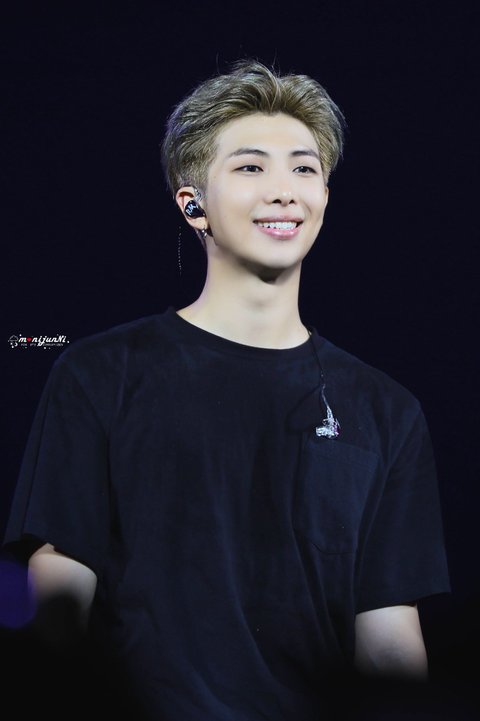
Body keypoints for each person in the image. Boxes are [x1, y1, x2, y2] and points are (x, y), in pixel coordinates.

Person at [3, 60, 450, 720]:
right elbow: (59, 594)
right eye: (250, 167)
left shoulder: (387, 411)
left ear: (325, 196)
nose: (284, 191)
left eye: (304, 169)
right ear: (193, 205)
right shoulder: (103, 373)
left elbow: (387, 635)